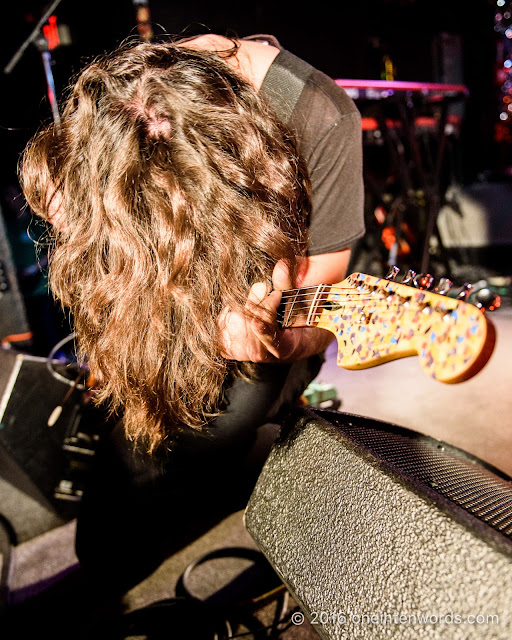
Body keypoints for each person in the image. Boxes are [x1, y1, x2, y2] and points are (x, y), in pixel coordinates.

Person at [20, 33, 365, 595]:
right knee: (108, 532)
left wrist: (271, 338)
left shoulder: (320, 118)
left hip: (249, 319)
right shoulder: (130, 92)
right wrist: (116, 328)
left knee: (186, 451)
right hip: (158, 306)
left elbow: (322, 294)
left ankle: (273, 464)